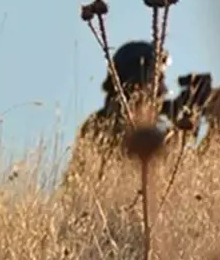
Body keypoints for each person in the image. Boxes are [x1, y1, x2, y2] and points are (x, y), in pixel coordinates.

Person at [64, 40, 170, 187]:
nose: (164, 90)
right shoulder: (99, 128)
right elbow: (76, 185)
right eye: (159, 79)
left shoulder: (95, 124)